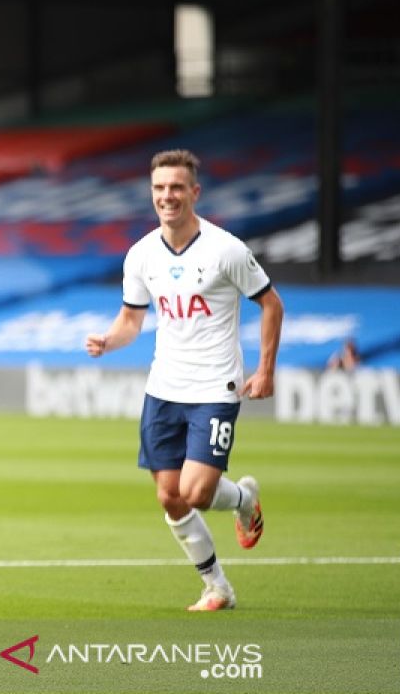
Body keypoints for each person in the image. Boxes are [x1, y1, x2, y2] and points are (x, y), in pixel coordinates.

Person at [84, 149, 284, 611]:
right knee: (169, 497)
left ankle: (243, 499)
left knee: (196, 491)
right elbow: (131, 321)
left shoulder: (226, 250)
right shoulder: (141, 255)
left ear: (195, 192)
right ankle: (217, 587)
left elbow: (271, 303)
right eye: (159, 188)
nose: (167, 196)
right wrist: (107, 341)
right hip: (163, 389)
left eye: (176, 187)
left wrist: (266, 369)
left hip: (215, 387)